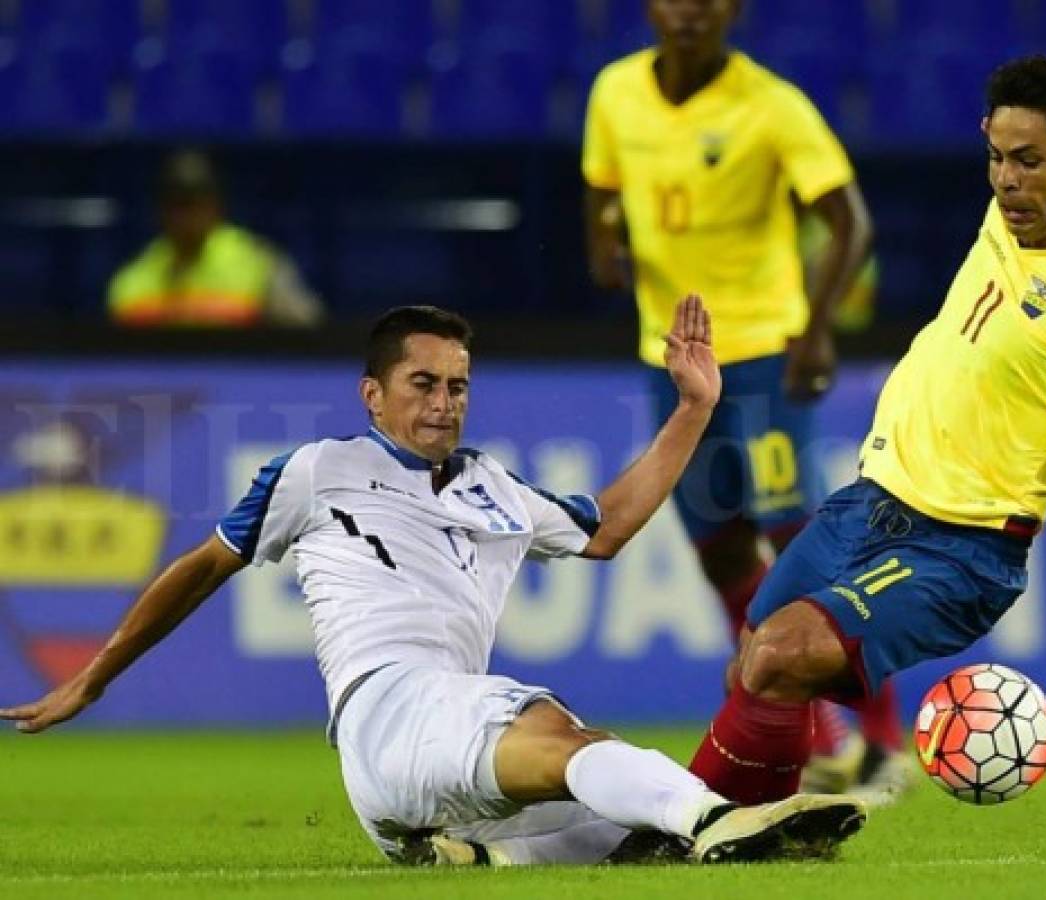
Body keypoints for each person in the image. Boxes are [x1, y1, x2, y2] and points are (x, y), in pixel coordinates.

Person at [0, 296, 867, 866]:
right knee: (561, 735)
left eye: (457, 386)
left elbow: (605, 530)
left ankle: (475, 856)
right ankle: (721, 821)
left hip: (430, 761)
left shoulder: (495, 483)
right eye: (422, 384)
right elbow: (197, 571)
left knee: (630, 833)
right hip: (390, 710)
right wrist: (93, 676)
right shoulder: (317, 469)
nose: (444, 402)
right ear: (372, 395)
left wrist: (692, 411)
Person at [687, 55, 1046, 807]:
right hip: (867, 503)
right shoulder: (1009, 217)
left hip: (960, 549)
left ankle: (684, 820)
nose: (1005, 181)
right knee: (751, 668)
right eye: (994, 157)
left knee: (780, 654)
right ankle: (749, 828)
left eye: (1029, 161)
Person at [581, 0, 907, 799]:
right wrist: (602, 243)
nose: (689, 10)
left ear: (731, 10)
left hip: (761, 349)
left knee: (799, 544)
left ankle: (883, 745)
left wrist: (819, 330)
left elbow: (848, 220)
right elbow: (600, 186)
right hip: (669, 358)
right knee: (720, 548)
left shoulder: (771, 105)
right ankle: (810, 731)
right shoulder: (614, 92)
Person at [107, 149, 324, 328]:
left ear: (216, 206)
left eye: (196, 203)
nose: (187, 217)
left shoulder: (259, 264)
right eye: (178, 204)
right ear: (161, 211)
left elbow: (308, 324)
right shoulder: (132, 283)